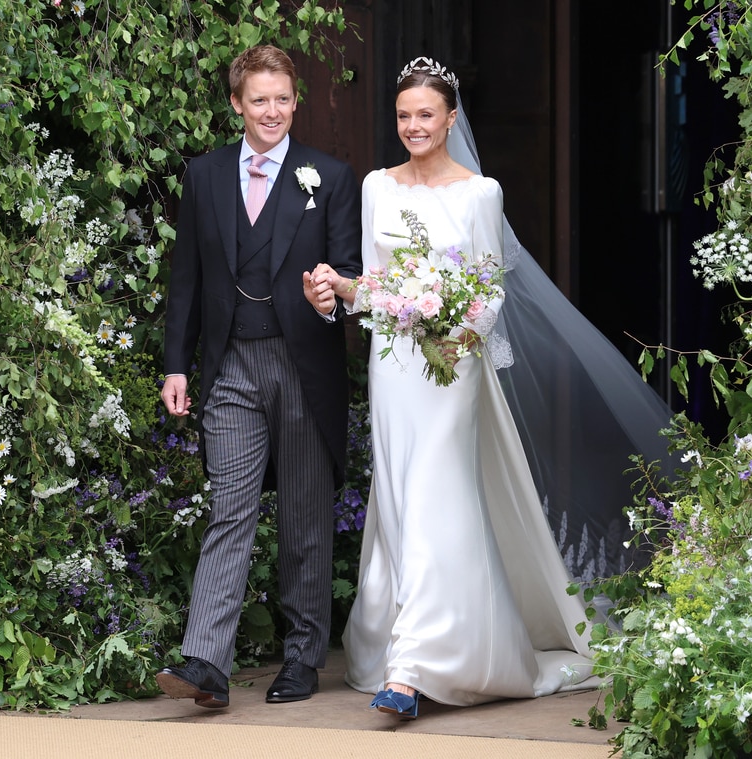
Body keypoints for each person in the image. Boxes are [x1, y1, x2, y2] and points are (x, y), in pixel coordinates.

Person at [304, 57, 673, 718]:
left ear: (450, 118)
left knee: (434, 499)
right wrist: (336, 289)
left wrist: (459, 337)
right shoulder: (376, 187)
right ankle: (408, 647)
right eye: (403, 115)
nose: (413, 126)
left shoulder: (481, 193)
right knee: (397, 499)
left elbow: (489, 290)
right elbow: (374, 285)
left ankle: (413, 669)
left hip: (452, 368)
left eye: (425, 114)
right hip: (394, 365)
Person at [157, 44, 361, 709]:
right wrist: (177, 365)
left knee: (304, 513)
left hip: (303, 362)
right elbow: (184, 279)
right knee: (230, 509)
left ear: (295, 101)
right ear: (237, 104)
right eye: (259, 99)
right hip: (230, 367)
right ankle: (206, 663)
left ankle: (303, 656)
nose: (272, 111)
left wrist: (330, 296)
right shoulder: (206, 176)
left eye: (282, 99)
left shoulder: (328, 176)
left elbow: (348, 272)